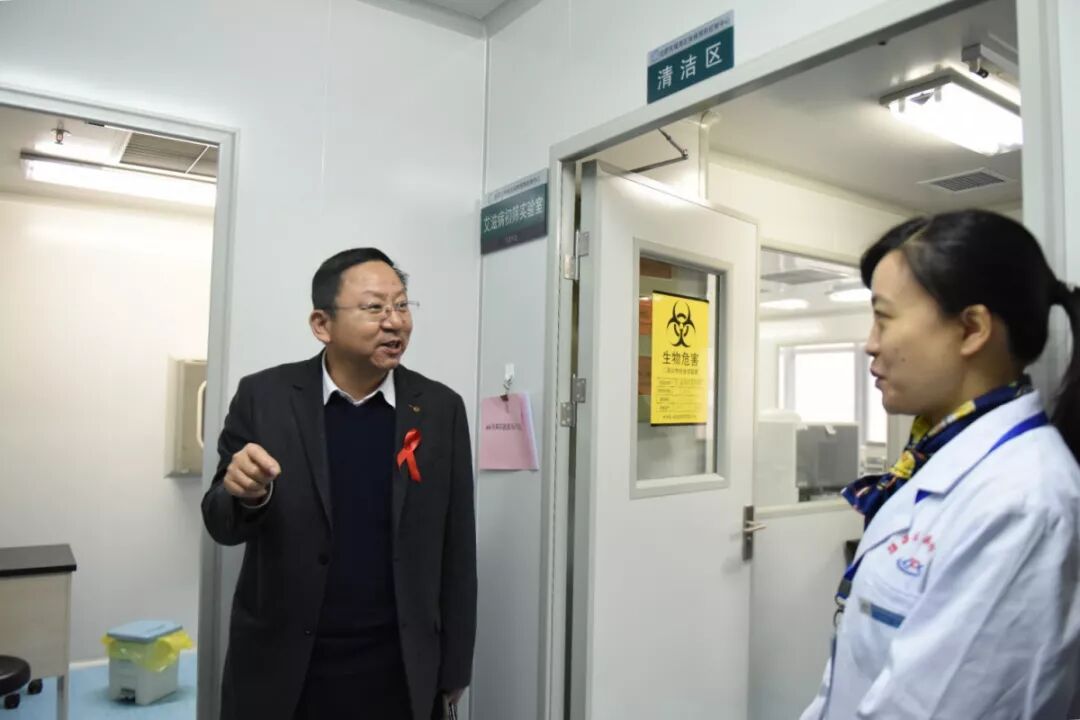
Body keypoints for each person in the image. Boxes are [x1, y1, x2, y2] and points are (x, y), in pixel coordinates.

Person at [801, 210, 1080, 719]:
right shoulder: (934, 460)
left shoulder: (1023, 503)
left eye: (884, 318)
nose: (870, 343)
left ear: (971, 329)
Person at [202, 248, 477, 720]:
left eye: (402, 305)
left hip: (398, 670)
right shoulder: (265, 397)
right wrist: (243, 494)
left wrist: (454, 667)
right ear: (321, 324)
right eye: (375, 308)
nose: (395, 322)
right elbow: (220, 523)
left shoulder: (439, 408)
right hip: (287, 669)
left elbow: (457, 547)